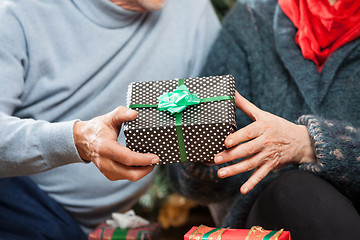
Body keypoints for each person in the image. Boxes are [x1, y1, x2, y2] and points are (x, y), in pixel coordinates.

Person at [0, 0, 220, 238]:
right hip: (17, 198)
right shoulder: (16, 12)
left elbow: (215, 113)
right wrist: (78, 140)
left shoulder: (193, 10)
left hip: (99, 224)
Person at [167, 0, 360, 239]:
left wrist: (310, 143)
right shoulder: (251, 20)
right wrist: (202, 155)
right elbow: (198, 186)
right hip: (267, 215)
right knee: (295, 190)